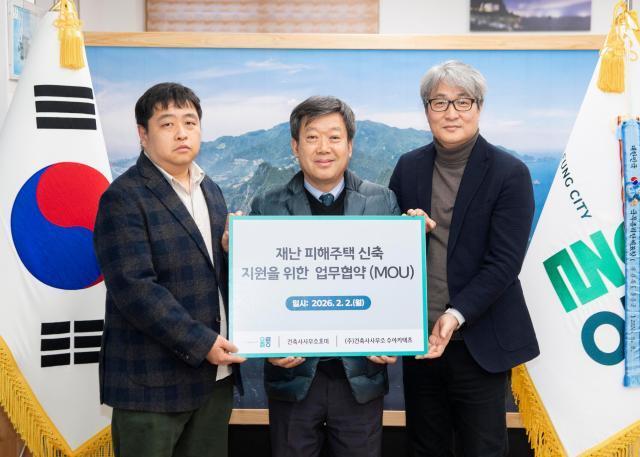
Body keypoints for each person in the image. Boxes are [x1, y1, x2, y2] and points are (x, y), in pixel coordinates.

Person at [389, 60, 540, 456]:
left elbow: (504, 262)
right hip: (420, 340)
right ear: (426, 109)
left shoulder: (509, 172)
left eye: (462, 101)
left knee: (483, 448)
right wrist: (406, 229)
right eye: (439, 102)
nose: (451, 112)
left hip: (478, 340)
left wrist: (455, 315)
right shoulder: (408, 167)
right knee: (424, 446)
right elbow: (386, 249)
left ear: (479, 107)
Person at [93, 82, 245, 457]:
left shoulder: (211, 190)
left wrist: (234, 252)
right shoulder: (123, 197)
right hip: (152, 384)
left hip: (214, 379)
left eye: (190, 122)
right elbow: (135, 289)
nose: (181, 133)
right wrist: (202, 343)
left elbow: (209, 272)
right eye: (167, 123)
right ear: (143, 134)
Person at [250, 96, 399, 457]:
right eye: (312, 137)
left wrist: (394, 334)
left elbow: (396, 284)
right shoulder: (267, 205)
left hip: (360, 376)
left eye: (334, 137)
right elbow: (254, 290)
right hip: (293, 375)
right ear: (295, 146)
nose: (323, 148)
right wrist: (265, 345)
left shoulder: (383, 202)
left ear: (350, 145)